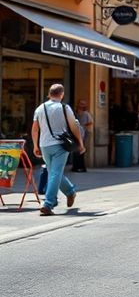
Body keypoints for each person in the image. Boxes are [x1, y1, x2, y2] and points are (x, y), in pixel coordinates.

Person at [31, 84, 85, 216]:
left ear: (49, 94)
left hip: (44, 145)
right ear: (62, 95)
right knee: (55, 173)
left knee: (54, 172)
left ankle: (66, 194)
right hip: (61, 145)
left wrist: (35, 145)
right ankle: (49, 203)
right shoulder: (64, 108)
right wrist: (81, 144)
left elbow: (35, 128)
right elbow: (74, 127)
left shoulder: (40, 108)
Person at [71, 99, 93, 172]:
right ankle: (75, 166)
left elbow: (90, 122)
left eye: (83, 104)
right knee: (75, 150)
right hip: (75, 133)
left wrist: (83, 126)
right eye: (80, 104)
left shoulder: (86, 114)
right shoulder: (74, 113)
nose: (81, 105)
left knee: (81, 150)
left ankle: (81, 167)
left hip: (83, 134)